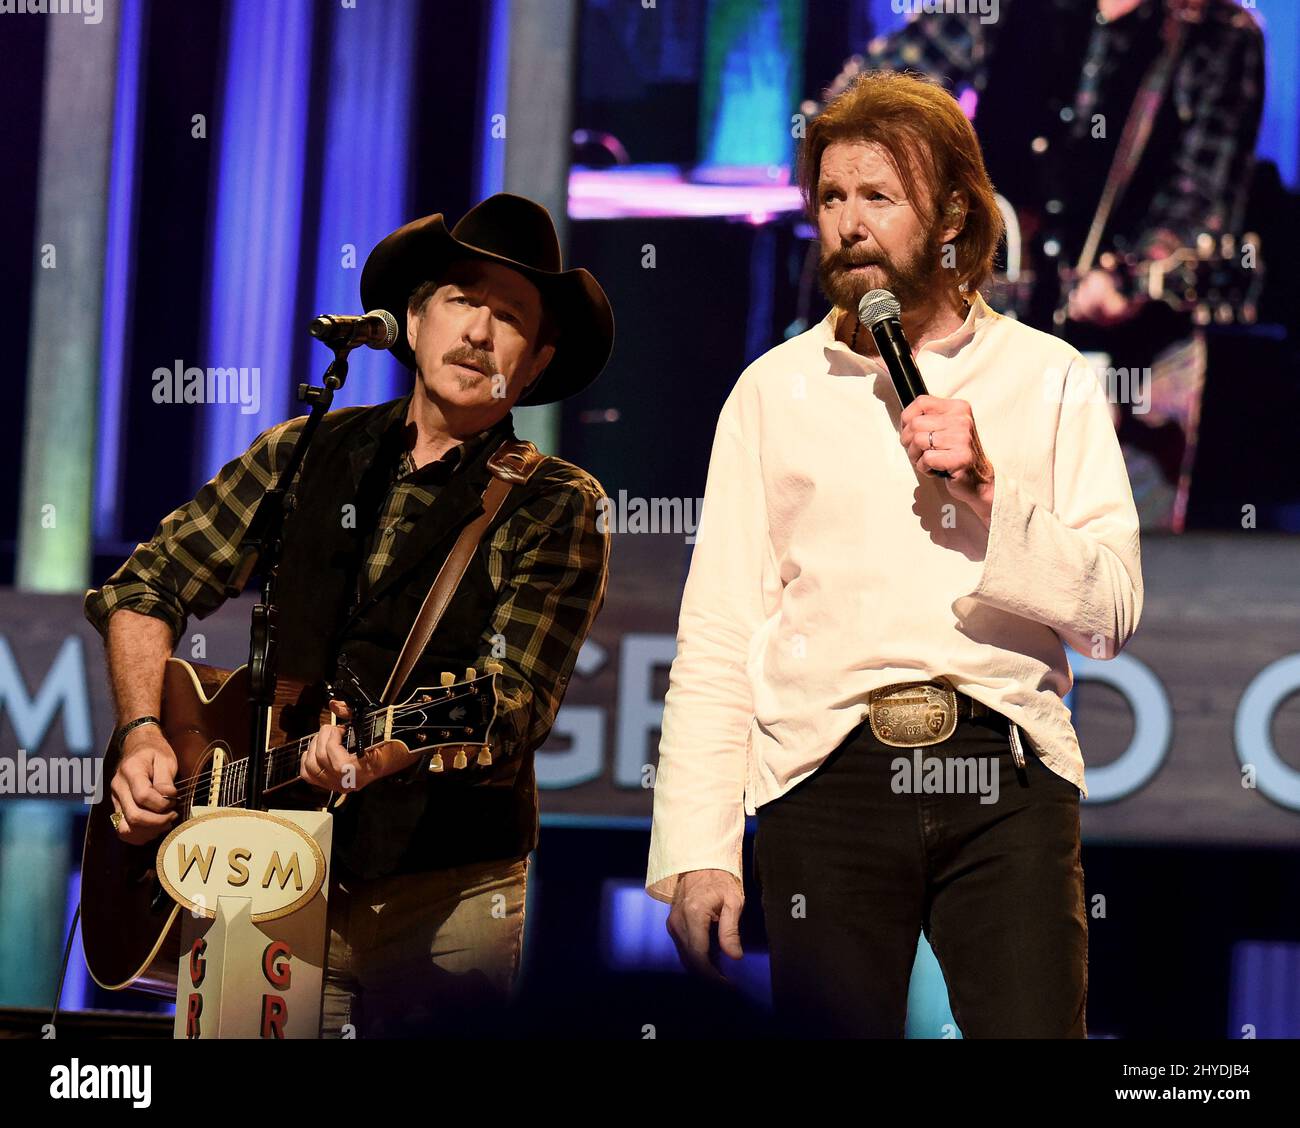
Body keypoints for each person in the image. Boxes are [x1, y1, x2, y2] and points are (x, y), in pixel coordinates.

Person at [646, 72, 1143, 1037]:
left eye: (879, 196)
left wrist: (993, 497)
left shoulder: (1049, 376)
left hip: (1003, 773)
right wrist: (699, 847)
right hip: (825, 778)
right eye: (832, 197)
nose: (849, 223)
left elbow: (1113, 610)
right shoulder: (771, 390)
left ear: (954, 209)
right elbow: (718, 634)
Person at [84, 193, 614, 1037]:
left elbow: (510, 703)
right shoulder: (304, 450)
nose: (478, 332)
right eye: (462, 300)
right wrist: (145, 729)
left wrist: (382, 748)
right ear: (411, 320)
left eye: (509, 317)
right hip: (259, 862)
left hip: (444, 893)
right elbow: (144, 587)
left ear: (539, 361)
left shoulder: (557, 504)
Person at [825, 0, 1265, 529]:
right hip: (974, 330)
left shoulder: (1219, 31)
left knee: (1114, 559)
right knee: (952, 541)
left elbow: (1202, 196)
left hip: (1137, 357)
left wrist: (1133, 271)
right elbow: (860, 106)